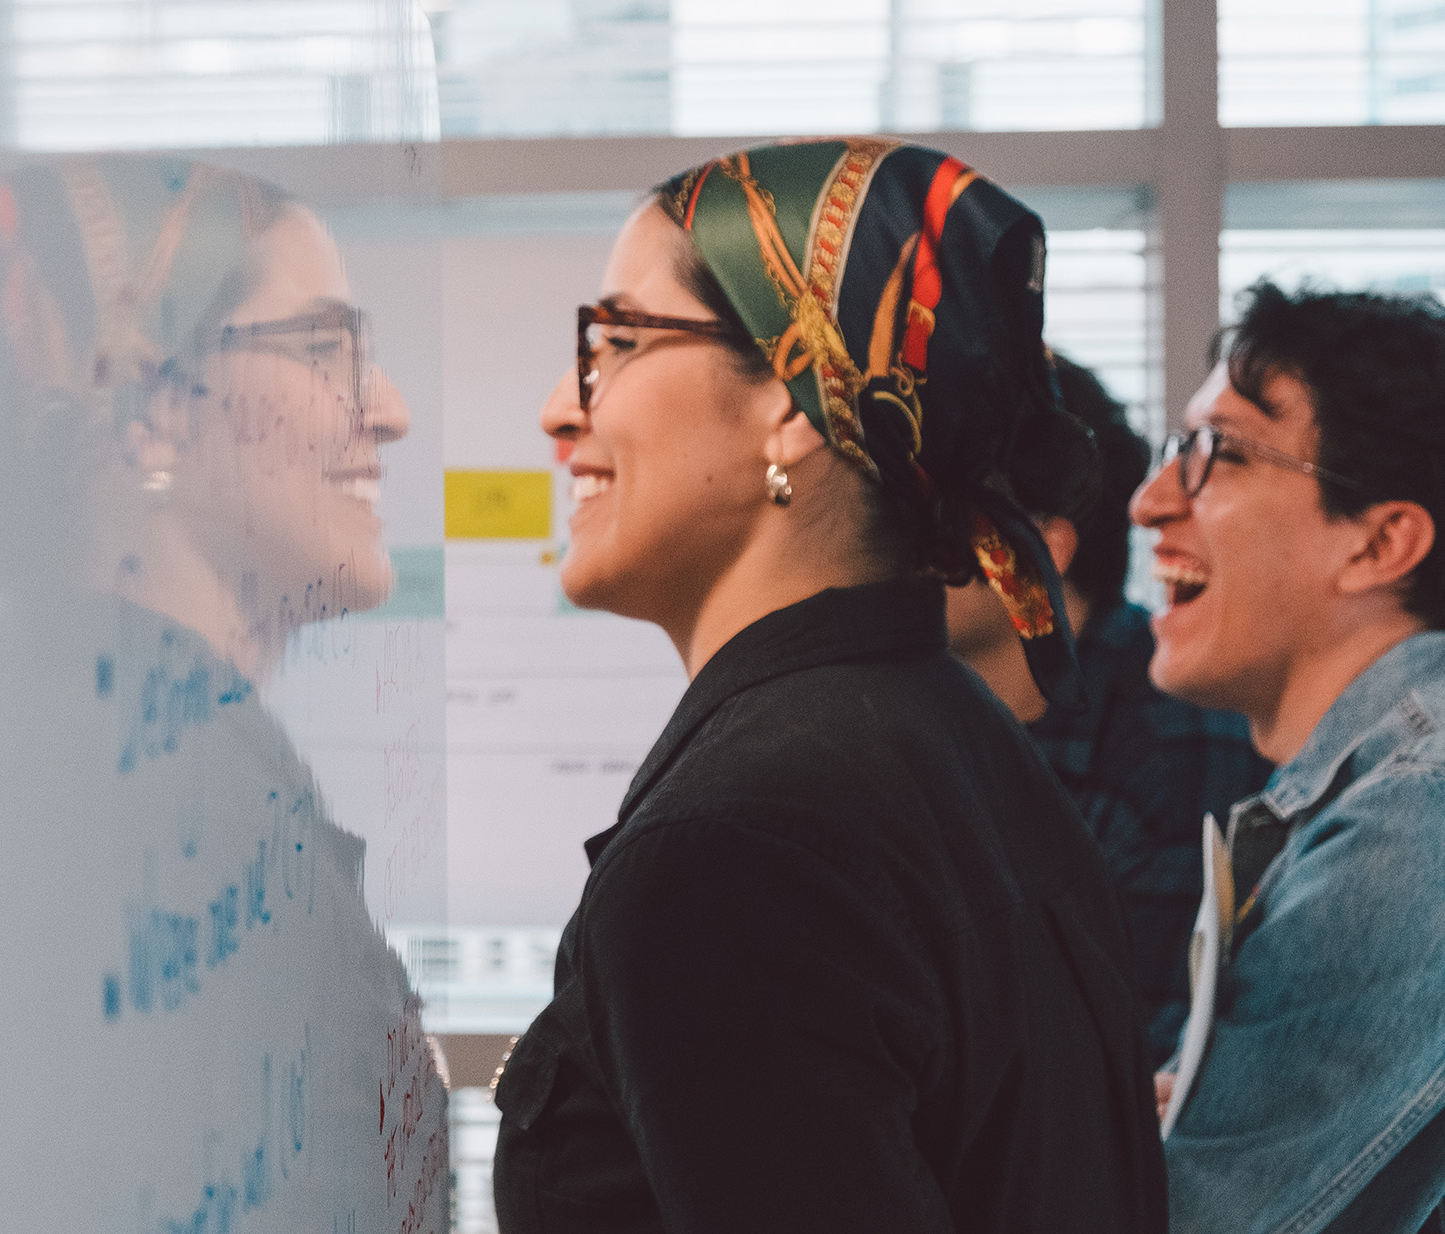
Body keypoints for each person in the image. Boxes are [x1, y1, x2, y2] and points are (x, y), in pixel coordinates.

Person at [494, 138, 1166, 1232]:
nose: (560, 410)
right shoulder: (953, 740)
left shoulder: (741, 846)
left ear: (796, 405)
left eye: (617, 339)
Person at [0, 158, 448, 1234]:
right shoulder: (122, 796)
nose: (385, 408)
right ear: (154, 408)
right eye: (322, 350)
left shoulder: (86, 738)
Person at [1138, 282, 1445, 1234]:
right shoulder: (1369, 781)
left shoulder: (1415, 812)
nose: (1151, 504)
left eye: (1219, 456)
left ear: (1379, 542)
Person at [947, 353, 1270, 1059]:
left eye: (934, 497)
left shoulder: (1173, 746)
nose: (881, 532)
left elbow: (1129, 1060)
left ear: (1037, 549)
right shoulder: (916, 723)